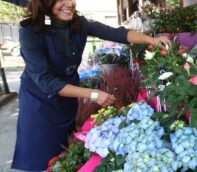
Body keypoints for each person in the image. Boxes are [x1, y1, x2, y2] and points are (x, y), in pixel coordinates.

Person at [3, 0, 171, 171]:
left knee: (66, 151)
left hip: (67, 96)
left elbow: (117, 34)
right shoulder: (30, 32)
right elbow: (46, 81)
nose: (69, 3)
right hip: (40, 104)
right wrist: (92, 94)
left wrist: (152, 39)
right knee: (43, 157)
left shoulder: (79, 23)